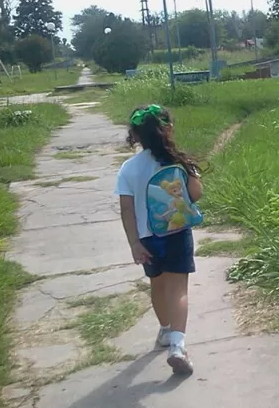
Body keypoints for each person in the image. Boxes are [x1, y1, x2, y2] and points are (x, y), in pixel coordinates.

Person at [114, 104, 203, 374]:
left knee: (158, 286)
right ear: (168, 130)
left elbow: (126, 210)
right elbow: (197, 194)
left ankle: (165, 330)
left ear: (136, 135)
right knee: (179, 290)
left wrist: (134, 244)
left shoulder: (128, 169)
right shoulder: (177, 161)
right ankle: (178, 345)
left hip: (147, 239)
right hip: (176, 233)